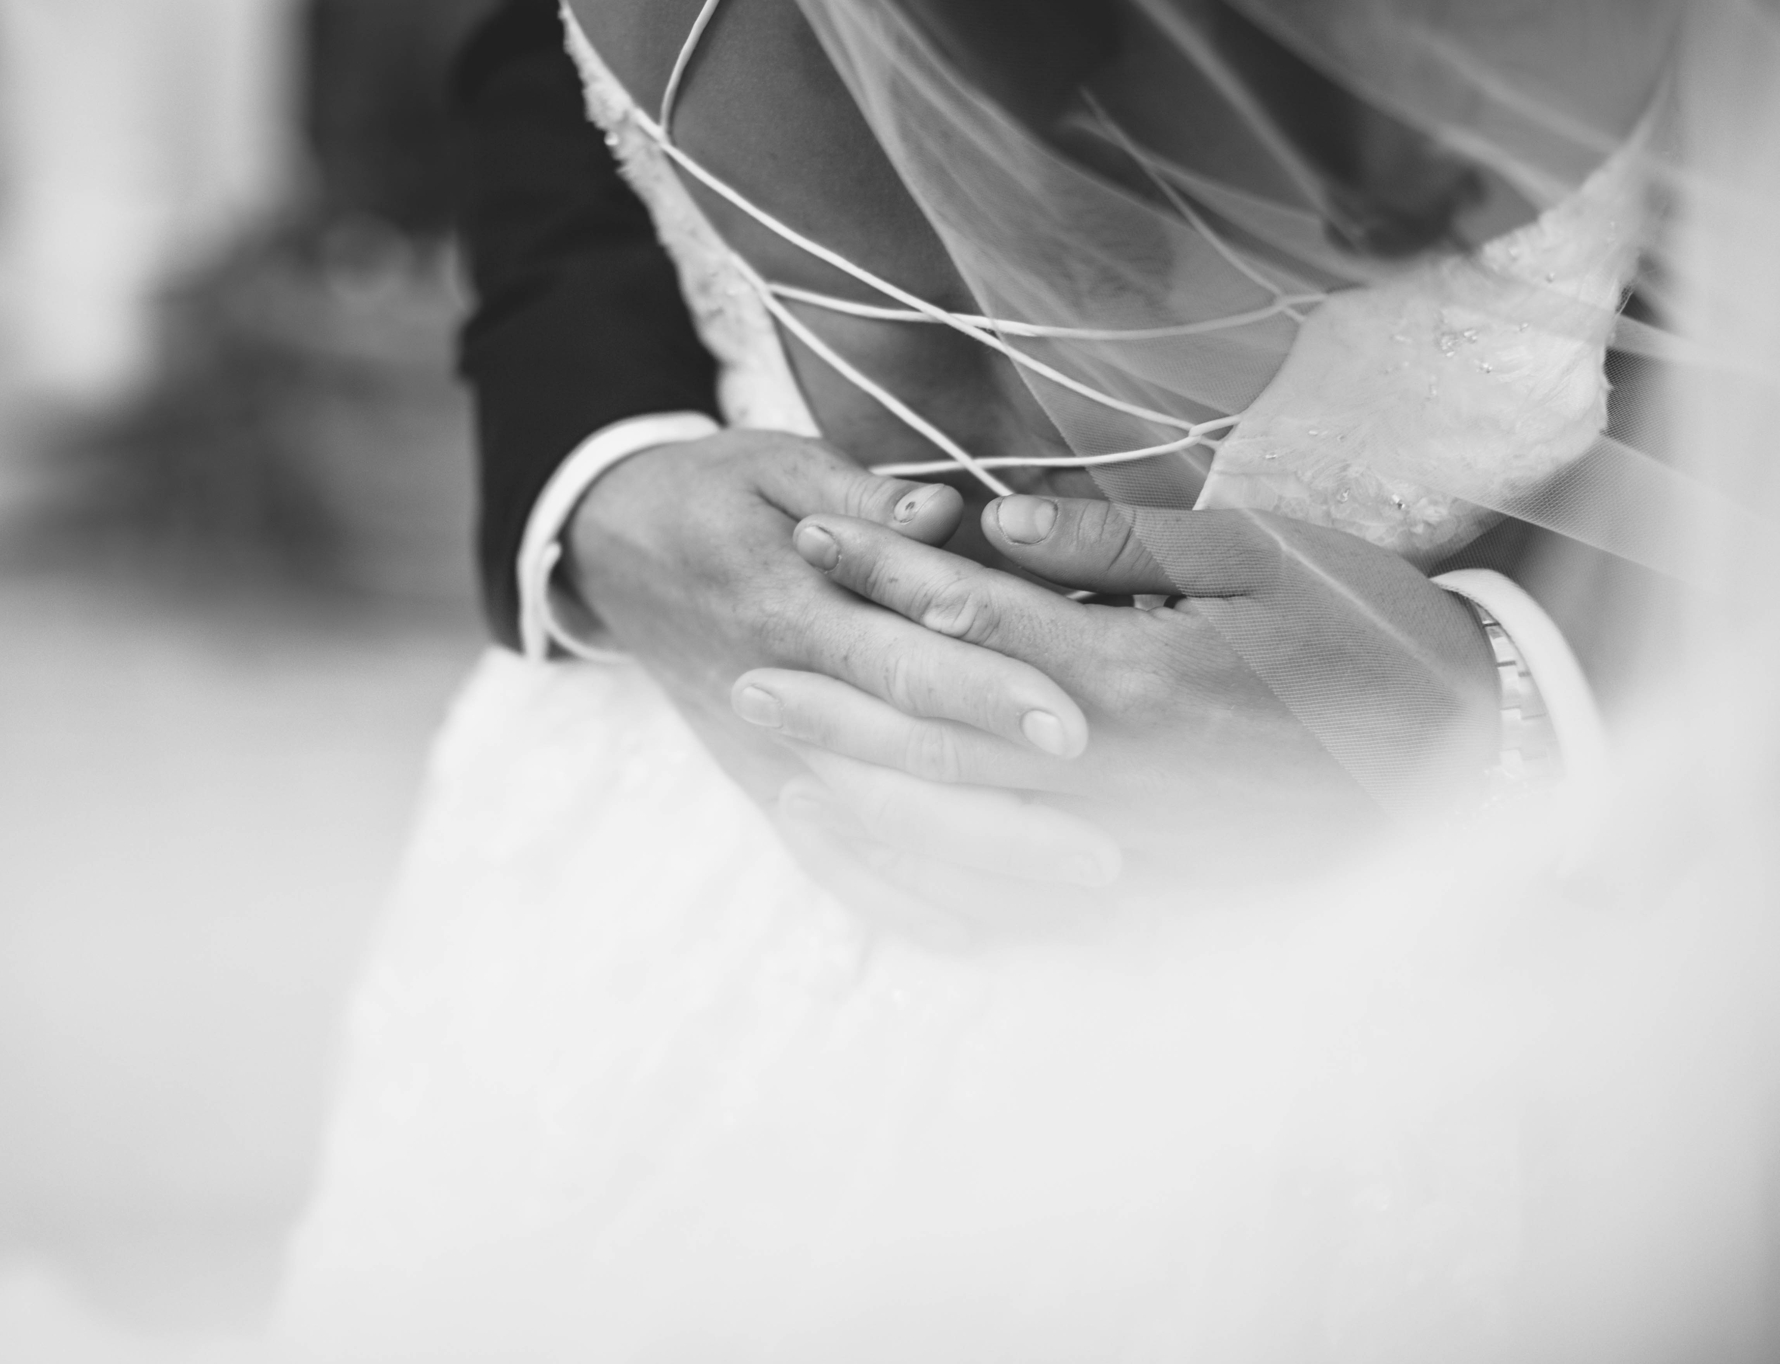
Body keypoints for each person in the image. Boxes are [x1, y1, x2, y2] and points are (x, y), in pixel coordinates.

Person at [275, 1, 1780, 1356]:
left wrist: (1532, 702)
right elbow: (526, 59)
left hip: (1477, 935)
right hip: (712, 804)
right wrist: (600, 485)